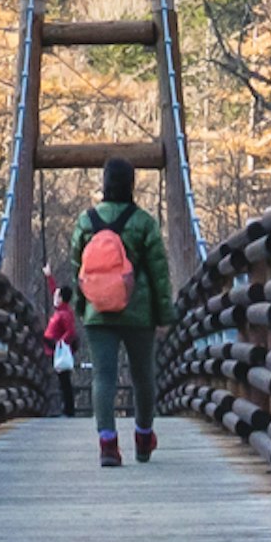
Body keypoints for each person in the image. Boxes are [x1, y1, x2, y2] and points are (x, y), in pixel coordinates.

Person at [71, 154, 172, 467]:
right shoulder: (144, 223)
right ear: (132, 184)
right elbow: (159, 273)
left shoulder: (86, 222)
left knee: (103, 377)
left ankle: (107, 445)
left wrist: (80, 306)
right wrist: (164, 315)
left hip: (98, 312)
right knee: (143, 376)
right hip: (138, 312)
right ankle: (143, 438)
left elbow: (79, 268)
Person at [41, 277, 81, 416]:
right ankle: (66, 409)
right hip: (55, 350)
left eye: (57, 296)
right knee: (62, 381)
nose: (54, 297)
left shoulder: (64, 314)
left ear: (61, 298)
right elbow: (55, 291)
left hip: (59, 351)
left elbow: (71, 331)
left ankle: (68, 410)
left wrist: (60, 343)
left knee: (64, 381)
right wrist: (50, 277)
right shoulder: (62, 311)